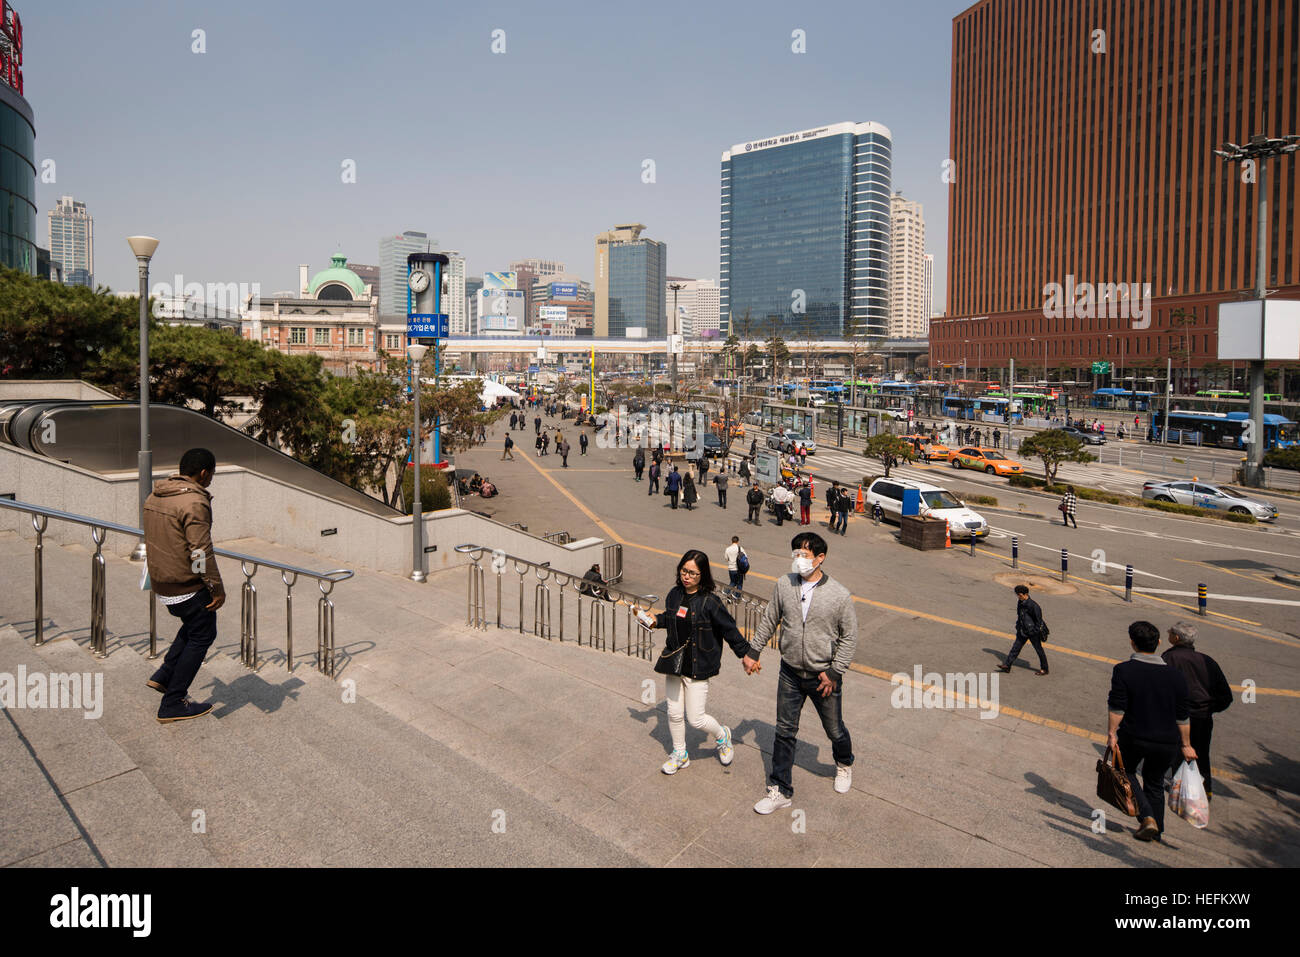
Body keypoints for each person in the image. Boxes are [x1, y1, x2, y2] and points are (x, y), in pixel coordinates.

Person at [745, 532, 858, 813]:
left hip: (824, 677)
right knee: (784, 730)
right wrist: (753, 651)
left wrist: (834, 672)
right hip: (791, 673)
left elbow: (849, 637)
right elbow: (770, 619)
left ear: (820, 558)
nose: (799, 559)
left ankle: (844, 764)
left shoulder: (839, 595)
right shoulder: (784, 584)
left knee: (834, 729)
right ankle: (780, 790)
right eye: (795, 553)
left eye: (805, 554)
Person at [638, 551, 751, 775]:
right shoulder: (674, 594)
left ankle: (722, 736)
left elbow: (729, 629)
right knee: (674, 713)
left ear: (702, 575)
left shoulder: (710, 602)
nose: (686, 576)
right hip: (675, 662)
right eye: (684, 571)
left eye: (692, 573)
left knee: (696, 718)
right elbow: (670, 617)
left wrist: (746, 655)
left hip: (699, 664)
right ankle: (680, 754)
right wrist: (654, 620)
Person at [143, 448, 224, 723]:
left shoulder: (156, 494)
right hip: (185, 584)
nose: (211, 479)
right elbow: (200, 551)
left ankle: (164, 675)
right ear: (204, 473)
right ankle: (173, 701)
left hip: (161, 581)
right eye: (211, 474)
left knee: (193, 627)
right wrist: (215, 587)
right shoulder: (193, 502)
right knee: (203, 634)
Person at [1108, 621, 1196, 842]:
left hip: (1135, 735)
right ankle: (1157, 830)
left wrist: (1112, 733)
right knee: (1155, 781)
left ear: (1132, 643)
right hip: (1167, 740)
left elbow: (1118, 707)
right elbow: (1182, 715)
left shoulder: (1124, 670)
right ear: (1158, 642)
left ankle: (1147, 817)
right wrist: (1186, 745)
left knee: (1124, 771)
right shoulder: (1176, 676)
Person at [1161, 621, 1232, 801]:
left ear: (1176, 638)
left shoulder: (1169, 658)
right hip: (1203, 717)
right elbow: (1225, 696)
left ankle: (1181, 791)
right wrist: (1208, 709)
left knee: (1179, 751)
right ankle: (1205, 789)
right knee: (1201, 752)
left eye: (1170, 632)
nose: (1168, 634)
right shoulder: (1207, 661)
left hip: (1178, 716)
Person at [996, 584, 1049, 675]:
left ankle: (1045, 669)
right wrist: (1018, 626)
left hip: (1032, 633)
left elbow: (1039, 622)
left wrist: (1034, 632)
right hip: (1022, 631)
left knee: (1039, 650)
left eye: (1020, 595)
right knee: (1015, 648)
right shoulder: (1020, 602)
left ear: (1025, 594)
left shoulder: (1034, 606)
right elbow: (1019, 615)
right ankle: (1007, 666)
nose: (1018, 597)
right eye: (1017, 595)